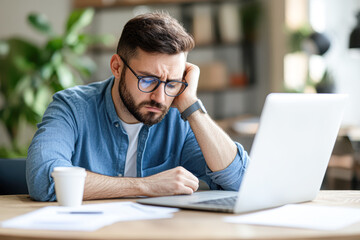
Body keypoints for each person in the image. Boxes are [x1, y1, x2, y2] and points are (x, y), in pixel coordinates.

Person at [26, 12, 249, 201]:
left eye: (171, 83)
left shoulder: (178, 117)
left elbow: (242, 181)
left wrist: (190, 104)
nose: (160, 98)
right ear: (116, 67)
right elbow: (44, 179)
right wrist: (145, 186)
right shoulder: (71, 108)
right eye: (148, 80)